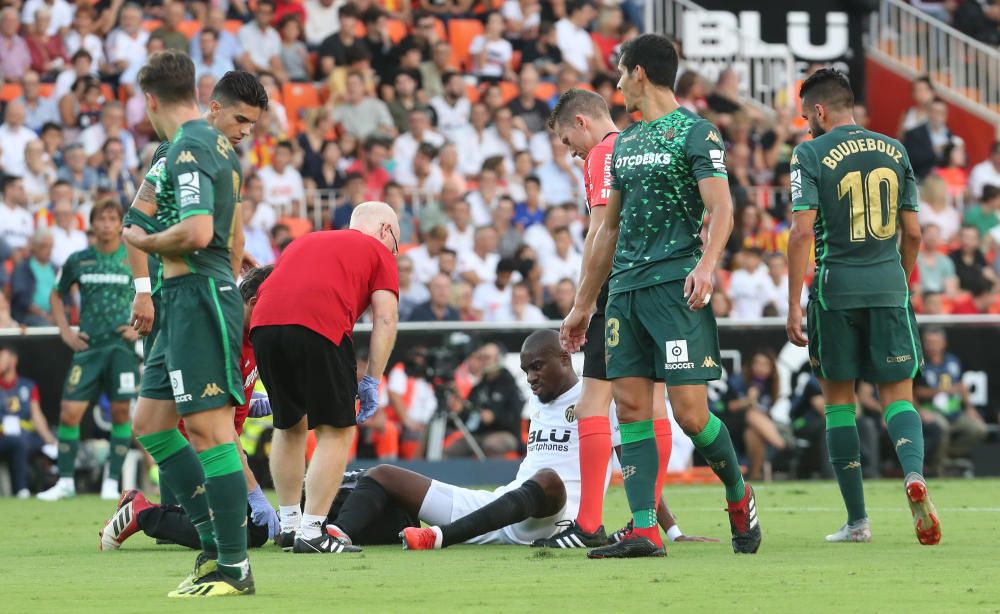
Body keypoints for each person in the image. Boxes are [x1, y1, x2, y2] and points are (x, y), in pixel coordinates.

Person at [561, 35, 757, 558]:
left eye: (622, 73)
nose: (619, 83)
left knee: (691, 414)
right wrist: (584, 305)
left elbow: (722, 208)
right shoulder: (622, 143)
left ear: (640, 73)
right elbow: (606, 230)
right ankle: (645, 528)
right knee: (630, 406)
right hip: (624, 290)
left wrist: (707, 266)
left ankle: (738, 494)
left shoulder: (696, 132)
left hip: (675, 287)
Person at [786, 68, 939, 546]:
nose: (806, 124)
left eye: (806, 115)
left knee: (838, 403)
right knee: (898, 395)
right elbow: (913, 233)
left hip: (835, 290)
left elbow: (799, 232)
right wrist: (898, 279)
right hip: (888, 285)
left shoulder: (809, 152)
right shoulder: (896, 150)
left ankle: (858, 522)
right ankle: (912, 473)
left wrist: (793, 303)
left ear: (819, 111)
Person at [122, 51, 255, 597]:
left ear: (150, 99)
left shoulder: (195, 145)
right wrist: (142, 244)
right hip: (177, 298)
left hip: (200, 294)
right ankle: (209, 546)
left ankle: (233, 566)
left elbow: (197, 232)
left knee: (208, 431)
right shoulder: (182, 147)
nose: (246, 131)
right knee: (151, 424)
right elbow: (138, 210)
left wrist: (149, 242)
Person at [534, 87, 676, 550]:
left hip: (617, 291)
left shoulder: (602, 154)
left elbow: (600, 230)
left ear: (582, 123)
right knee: (657, 406)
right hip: (660, 287)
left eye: (564, 139)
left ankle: (588, 521)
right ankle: (645, 523)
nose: (568, 152)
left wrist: (583, 303)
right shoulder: (645, 147)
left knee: (594, 402)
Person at [250, 202, 400, 554]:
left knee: (289, 425)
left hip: (264, 325)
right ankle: (313, 530)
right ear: (384, 231)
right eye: (396, 240)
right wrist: (372, 380)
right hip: (319, 324)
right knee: (337, 430)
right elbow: (386, 319)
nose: (394, 249)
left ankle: (289, 524)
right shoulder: (379, 251)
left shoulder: (307, 240)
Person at [98, 266, 280, 552]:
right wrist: (255, 492)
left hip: (216, 443)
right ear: (254, 303)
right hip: (203, 447)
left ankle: (159, 514)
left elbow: (227, 398)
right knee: (242, 533)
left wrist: (254, 405)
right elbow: (220, 426)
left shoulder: (250, 335)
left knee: (252, 529)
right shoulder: (226, 339)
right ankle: (142, 513)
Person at [37, 200, 139, 502]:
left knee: (121, 412)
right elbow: (56, 295)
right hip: (88, 347)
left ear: (120, 224)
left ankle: (111, 481)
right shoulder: (78, 259)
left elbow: (156, 291)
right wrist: (66, 331)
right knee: (69, 412)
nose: (107, 224)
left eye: (112, 218)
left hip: (122, 347)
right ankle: (66, 481)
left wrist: (139, 327)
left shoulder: (134, 259)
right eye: (101, 219)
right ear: (92, 224)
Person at [915, 327, 988, 471]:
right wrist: (920, 410)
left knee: (979, 429)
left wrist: (969, 408)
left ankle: (946, 455)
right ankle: (939, 468)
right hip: (931, 411)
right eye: (928, 342)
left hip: (954, 411)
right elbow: (915, 391)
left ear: (943, 343)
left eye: (935, 342)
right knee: (941, 429)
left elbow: (962, 386)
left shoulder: (953, 361)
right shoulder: (919, 363)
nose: (932, 346)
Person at [0, 344, 56, 498]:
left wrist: (50, 440)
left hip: (24, 437)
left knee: (32, 442)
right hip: (2, 437)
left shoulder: (27, 386)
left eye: (1, 357)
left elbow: (36, 416)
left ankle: (48, 486)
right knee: (18, 442)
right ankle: (20, 488)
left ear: (13, 360)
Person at [10, 229, 57, 326]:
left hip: (54, 315)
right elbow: (22, 297)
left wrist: (58, 315)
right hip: (28, 316)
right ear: (34, 247)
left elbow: (65, 296)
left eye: (51, 246)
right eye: (44, 246)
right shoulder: (23, 268)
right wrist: (44, 314)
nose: (48, 250)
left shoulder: (56, 269)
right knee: (44, 324)